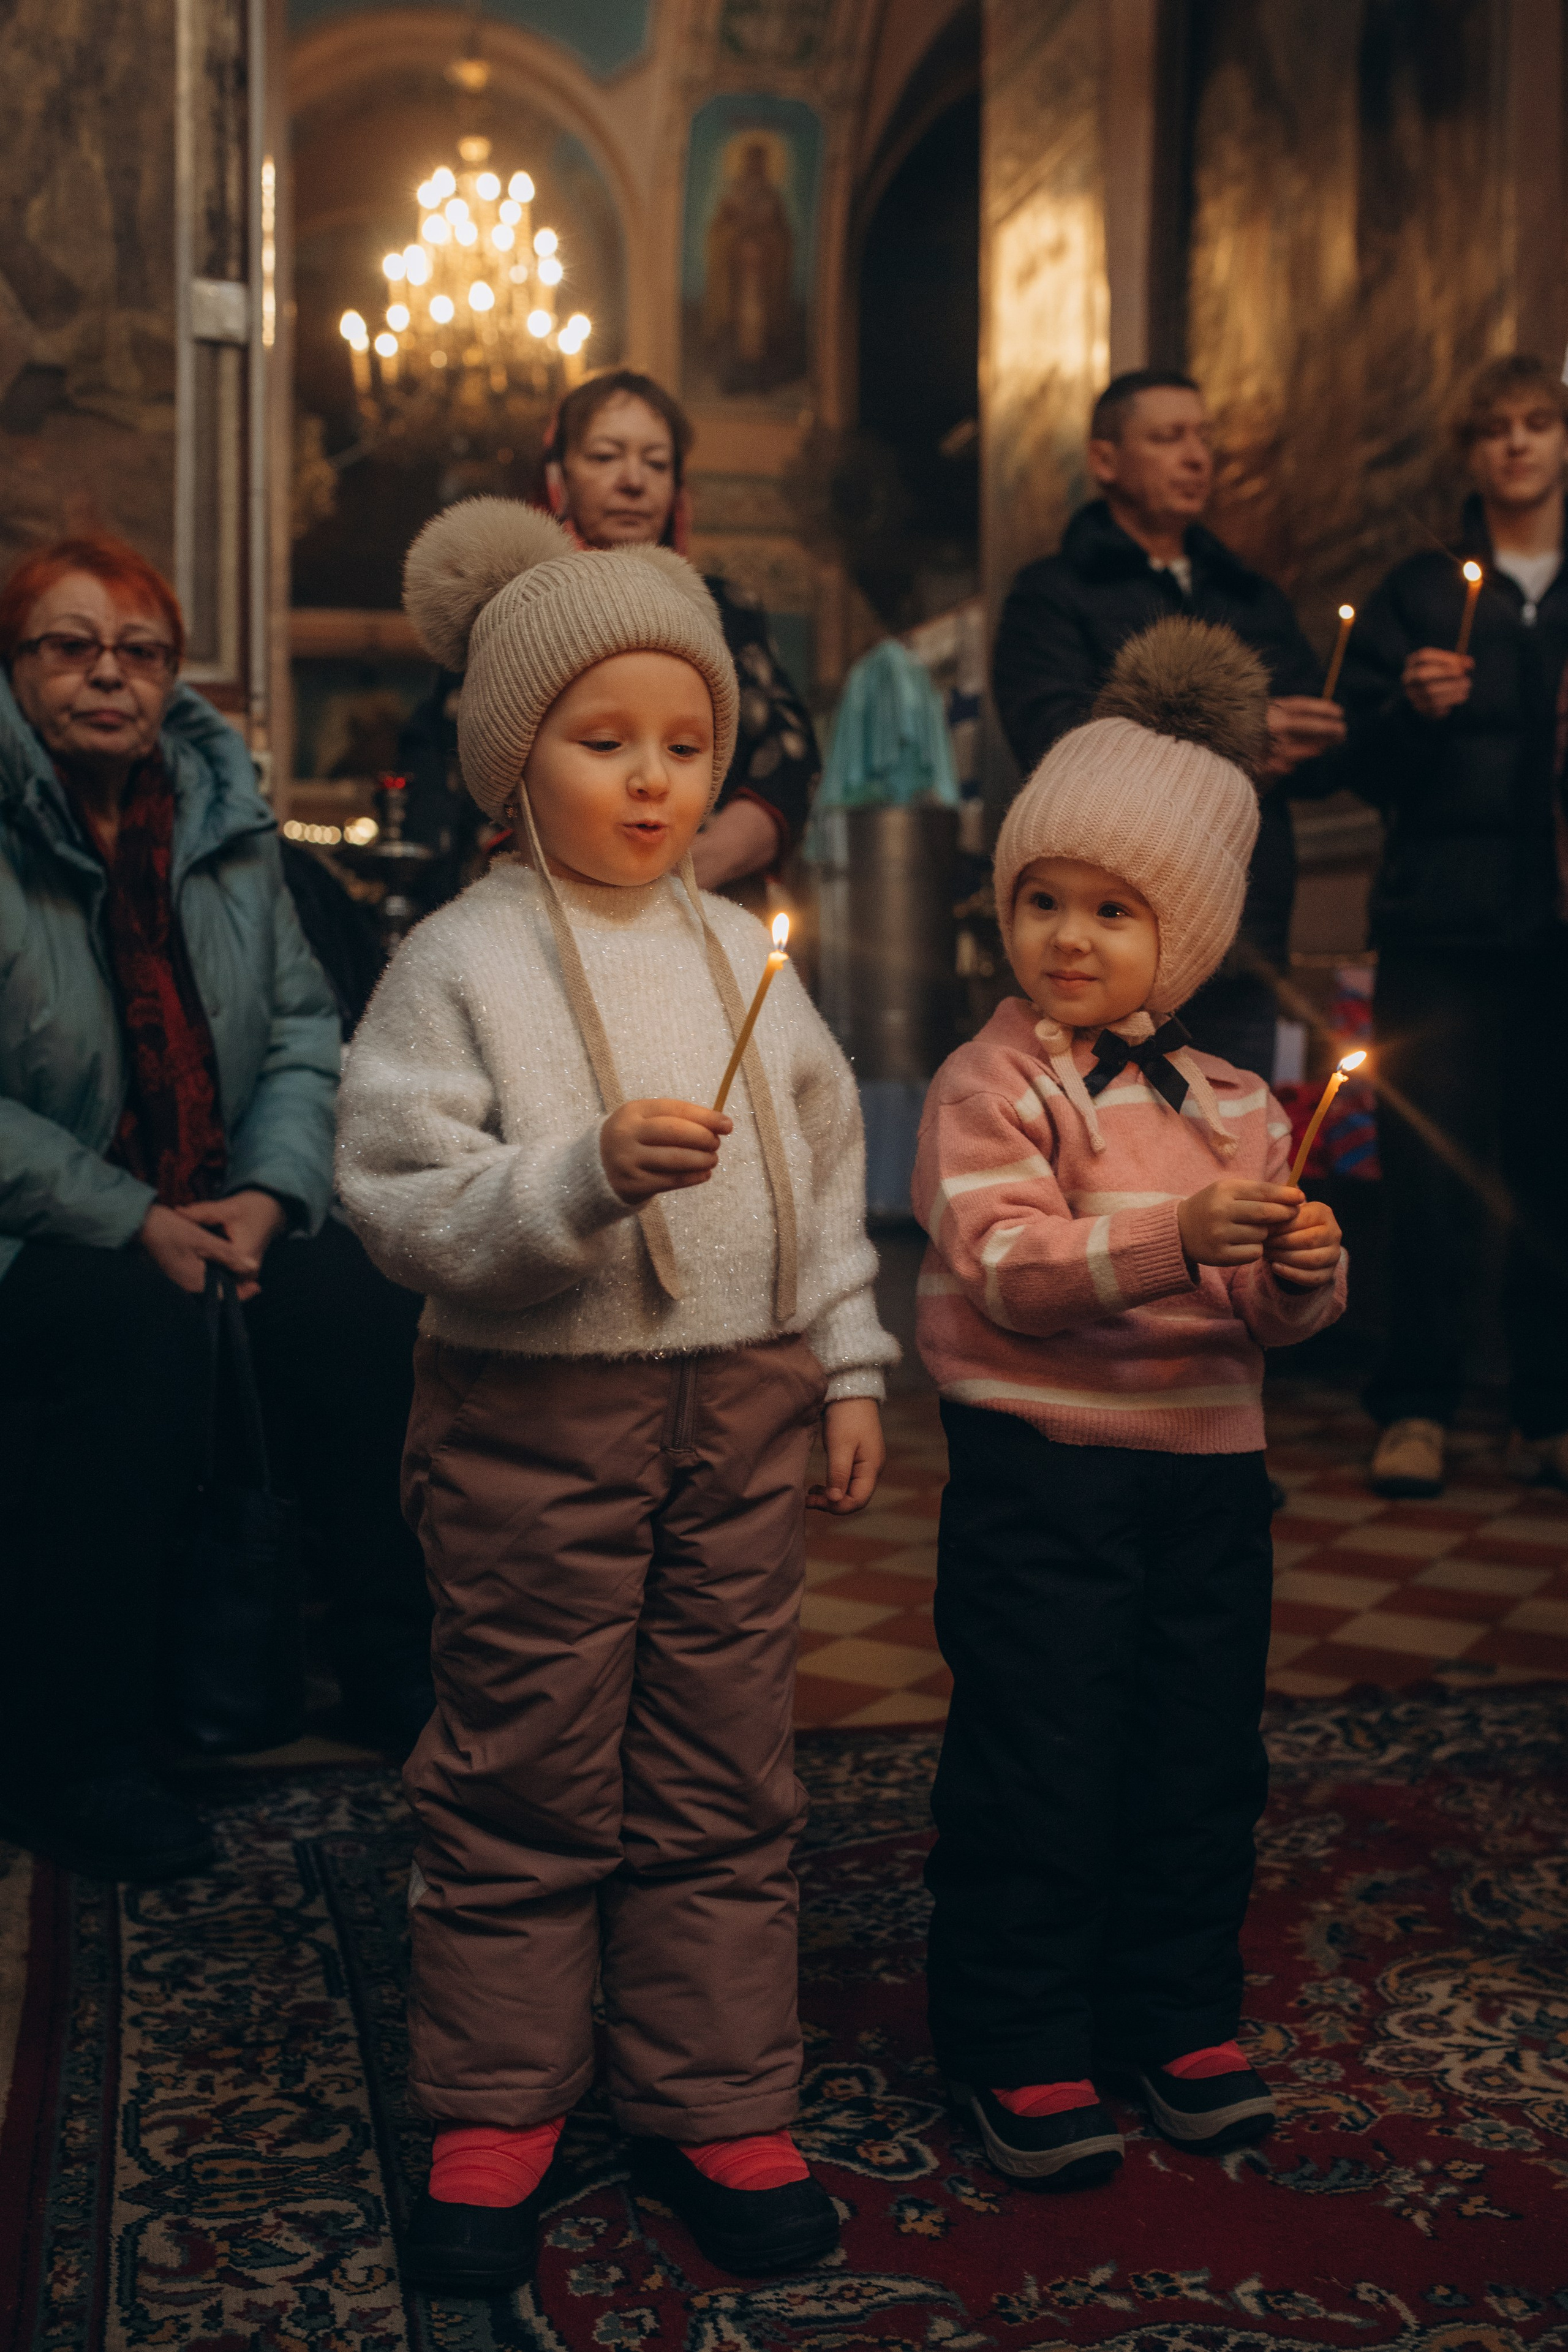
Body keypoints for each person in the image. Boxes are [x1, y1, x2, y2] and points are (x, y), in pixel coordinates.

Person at [337, 500, 895, 2295]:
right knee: (524, 1758)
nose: (651, 782)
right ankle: (497, 2102)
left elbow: (819, 1161)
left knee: (725, 1759)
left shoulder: (746, 953)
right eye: (603, 742)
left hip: (741, 1409)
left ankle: (713, 2088)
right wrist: (573, 1173)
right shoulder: (458, 961)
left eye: (682, 743)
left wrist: (855, 1359)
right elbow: (402, 1195)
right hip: (532, 1419)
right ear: (513, 760)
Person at [911, 619, 1345, 2188]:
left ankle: (1172, 2012)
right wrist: (1178, 1233)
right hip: (1042, 1476)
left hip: (1206, 1484)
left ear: (1194, 933)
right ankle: (1016, 2035)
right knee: (1042, 1748)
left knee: (1191, 1749)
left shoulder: (1235, 1102)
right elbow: (1011, 1264)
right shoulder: (991, 1081)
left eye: (1113, 908)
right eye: (1043, 898)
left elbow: (1269, 1317)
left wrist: (1293, 1259)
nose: (1070, 937)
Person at [0, 535, 435, 1883]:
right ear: (16, 668)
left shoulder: (227, 825)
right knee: (134, 1334)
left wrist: (267, 1195)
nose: (108, 678)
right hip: (52, 1226)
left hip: (219, 1198)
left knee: (364, 1303)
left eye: (139, 652)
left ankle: (393, 1679)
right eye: (70, 648)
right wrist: (133, 1218)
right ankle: (78, 1755)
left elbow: (307, 1032)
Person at [1338, 353, 1568, 1498]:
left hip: (1561, 928)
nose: (1518, 445)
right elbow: (1354, 755)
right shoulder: (1423, 590)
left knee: (1555, 1176)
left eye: (1538, 424)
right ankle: (1417, 1404)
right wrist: (1407, 712)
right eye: (1496, 429)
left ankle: (1548, 1408)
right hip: (1441, 922)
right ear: (1472, 451)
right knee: (1429, 1174)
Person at [992, 369, 1347, 1080]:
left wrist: (1315, 739)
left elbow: (1331, 770)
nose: (1196, 456)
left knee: (1227, 1143)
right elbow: (1055, 739)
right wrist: (1243, 738)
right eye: (1167, 438)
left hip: (1244, 932)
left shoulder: (1248, 593)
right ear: (1105, 461)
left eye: (1204, 439)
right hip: (1105, 936)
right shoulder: (1054, 593)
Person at [397, 369, 820, 911]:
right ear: (559, 474)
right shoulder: (508, 617)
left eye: (657, 463)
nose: (633, 481)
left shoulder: (725, 612)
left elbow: (791, 759)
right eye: (605, 456)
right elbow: (451, 789)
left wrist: (685, 872)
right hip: (537, 919)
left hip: (705, 913)